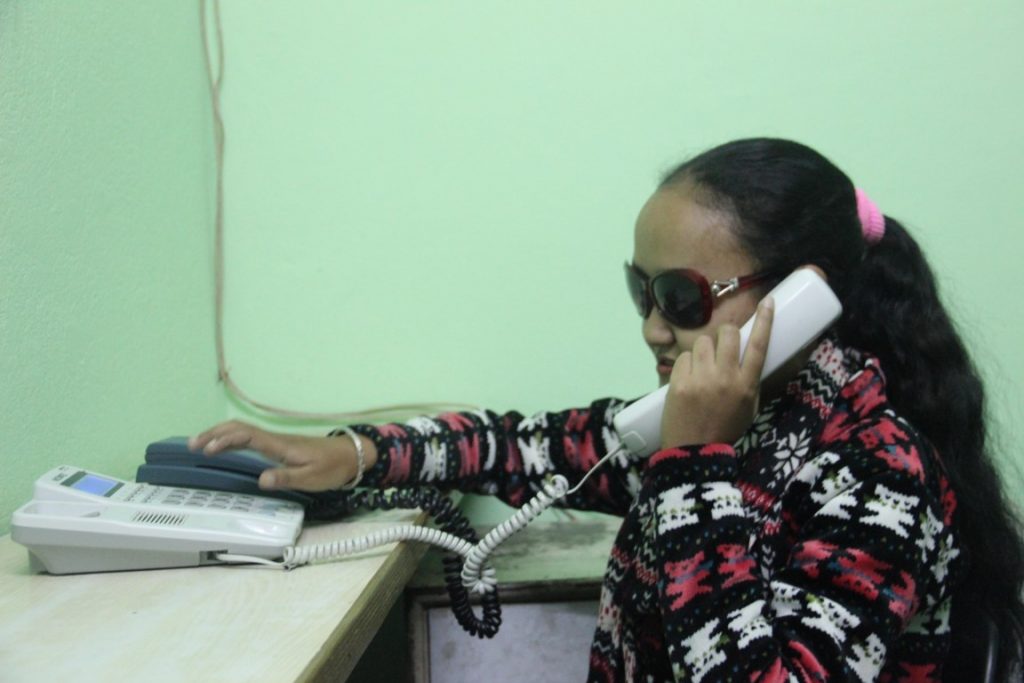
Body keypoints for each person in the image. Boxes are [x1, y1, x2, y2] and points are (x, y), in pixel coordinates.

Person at [191, 138, 1024, 681]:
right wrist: (357, 455)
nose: (654, 327)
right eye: (643, 290)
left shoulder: (878, 471)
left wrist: (695, 468)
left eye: (682, 296)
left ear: (805, 296)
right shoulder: (749, 416)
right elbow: (526, 447)